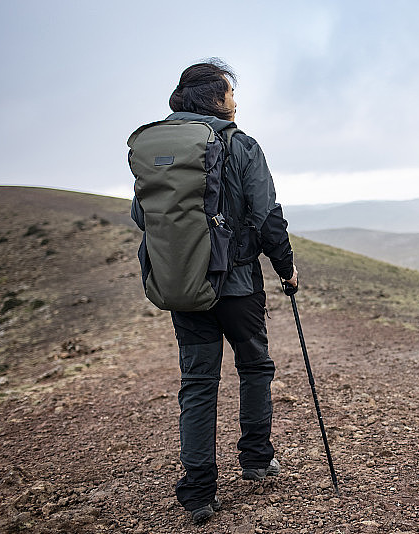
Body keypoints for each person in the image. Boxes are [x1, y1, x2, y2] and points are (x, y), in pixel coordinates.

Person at [130, 59, 298, 525]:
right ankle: (257, 459)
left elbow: (143, 217)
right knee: (255, 366)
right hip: (239, 285)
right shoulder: (241, 145)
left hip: (184, 284)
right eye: (229, 94)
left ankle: (199, 490)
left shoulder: (156, 147)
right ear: (213, 99)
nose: (235, 102)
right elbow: (267, 216)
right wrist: (287, 270)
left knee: (198, 383)